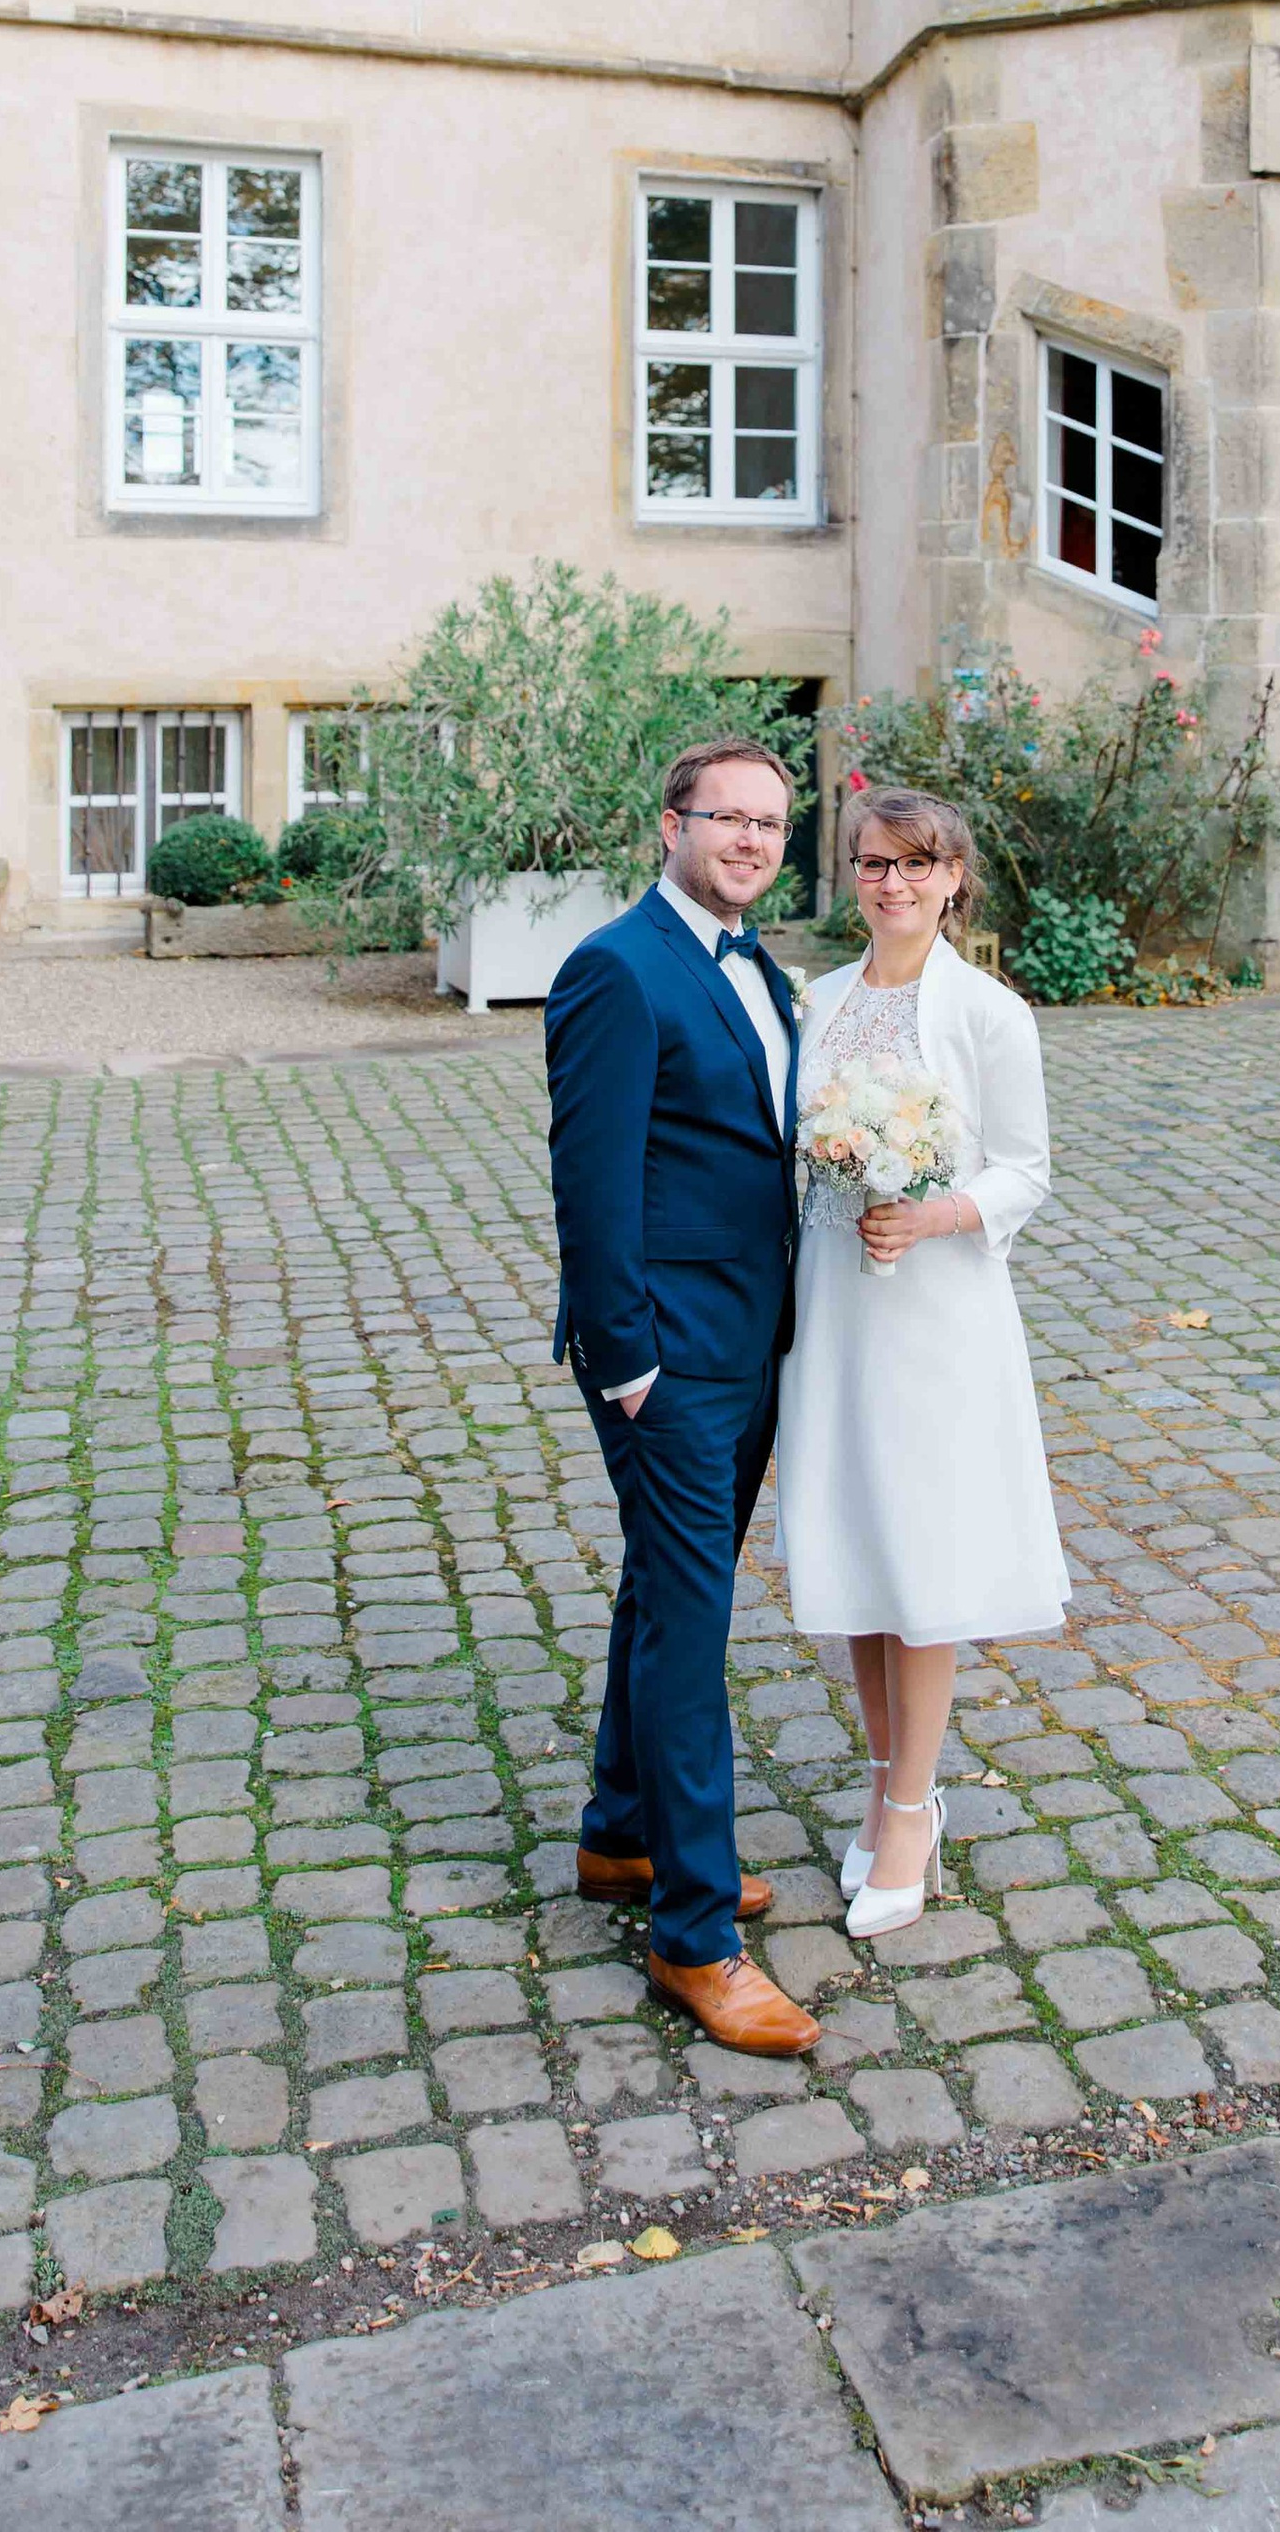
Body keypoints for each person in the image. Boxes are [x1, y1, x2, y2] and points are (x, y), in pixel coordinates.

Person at [542, 734, 820, 2055]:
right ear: (671, 825)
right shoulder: (616, 970)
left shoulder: (759, 966)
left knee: (664, 1587)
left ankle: (620, 1839)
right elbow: (589, 1192)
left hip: (747, 1338)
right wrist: (631, 1365)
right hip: (668, 1363)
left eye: (772, 823)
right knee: (691, 1628)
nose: (755, 842)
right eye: (730, 819)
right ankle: (697, 1936)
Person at [776, 786, 1067, 1939]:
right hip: (835, 1304)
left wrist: (934, 1214)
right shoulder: (816, 1000)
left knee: (924, 1548)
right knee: (854, 1536)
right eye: (870, 865)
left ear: (954, 879)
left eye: (914, 865)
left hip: (936, 1310)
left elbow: (1027, 1169)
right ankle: (891, 1777)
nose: (890, 884)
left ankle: (907, 1809)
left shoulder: (989, 1015)